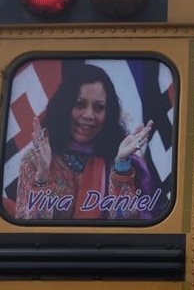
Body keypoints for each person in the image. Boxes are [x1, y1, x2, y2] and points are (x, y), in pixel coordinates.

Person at [14, 63, 161, 220]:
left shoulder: (118, 162)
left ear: (108, 113)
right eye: (80, 104)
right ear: (64, 106)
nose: (89, 115)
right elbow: (26, 228)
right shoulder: (35, 159)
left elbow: (127, 223)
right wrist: (42, 177)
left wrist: (121, 165)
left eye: (99, 107)